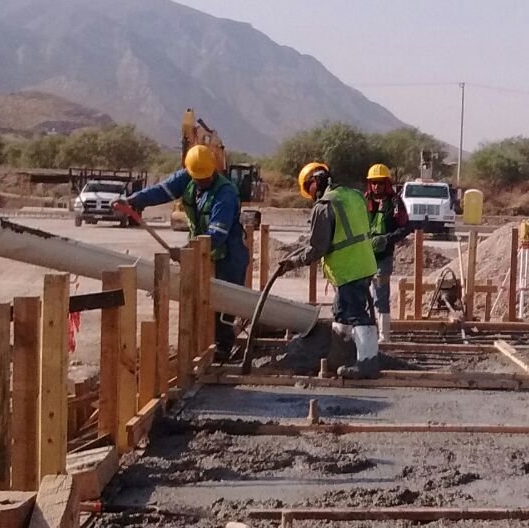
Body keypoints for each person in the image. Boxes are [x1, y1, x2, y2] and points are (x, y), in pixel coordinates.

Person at [117, 144, 248, 357]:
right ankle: (198, 346)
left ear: (213, 171)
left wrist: (186, 251)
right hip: (199, 249)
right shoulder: (188, 176)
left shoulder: (225, 194)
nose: (200, 181)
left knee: (223, 302)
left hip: (228, 254)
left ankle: (222, 348)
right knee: (196, 299)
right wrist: (133, 201)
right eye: (196, 177)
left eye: (204, 178)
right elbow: (162, 190)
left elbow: (216, 235)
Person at [276, 162, 380, 378]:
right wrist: (294, 256)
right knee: (341, 312)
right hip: (363, 263)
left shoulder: (324, 206)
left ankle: (368, 362)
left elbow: (318, 247)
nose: (310, 194)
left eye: (309, 187)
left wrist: (294, 262)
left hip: (349, 269)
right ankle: (342, 356)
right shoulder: (353, 196)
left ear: (316, 182)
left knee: (356, 314)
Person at [363, 163, 412, 339]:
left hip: (383, 257)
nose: (377, 187)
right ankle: (365, 333)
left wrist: (387, 239)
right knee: (361, 295)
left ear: (387, 183)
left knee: (380, 296)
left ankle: (384, 336)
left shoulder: (395, 203)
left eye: (380, 183)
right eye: (374, 183)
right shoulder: (364, 201)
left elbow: (405, 227)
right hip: (363, 256)